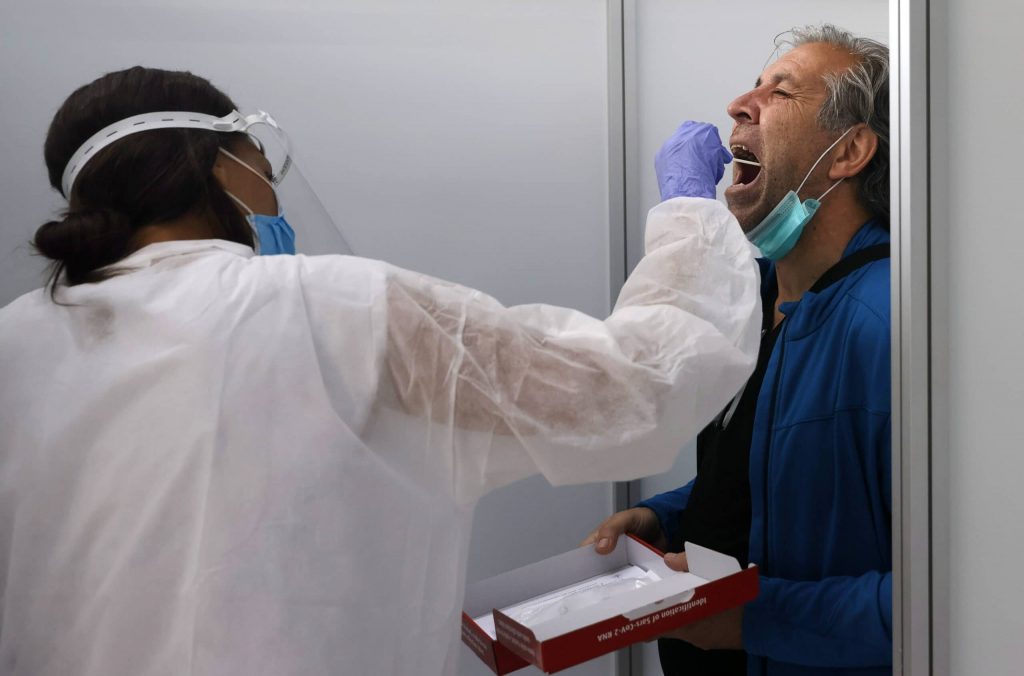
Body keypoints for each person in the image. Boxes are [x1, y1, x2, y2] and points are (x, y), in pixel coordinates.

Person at [0, 67, 761, 675]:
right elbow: (629, 389)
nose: (274, 197)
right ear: (220, 168)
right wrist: (691, 214)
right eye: (264, 169)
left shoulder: (17, 340)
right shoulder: (332, 307)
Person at [583, 24, 892, 676]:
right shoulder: (753, 303)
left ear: (848, 151)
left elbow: (946, 593)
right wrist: (671, 516)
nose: (738, 105)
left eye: (780, 91)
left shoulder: (886, 323)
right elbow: (781, 474)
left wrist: (753, 617)